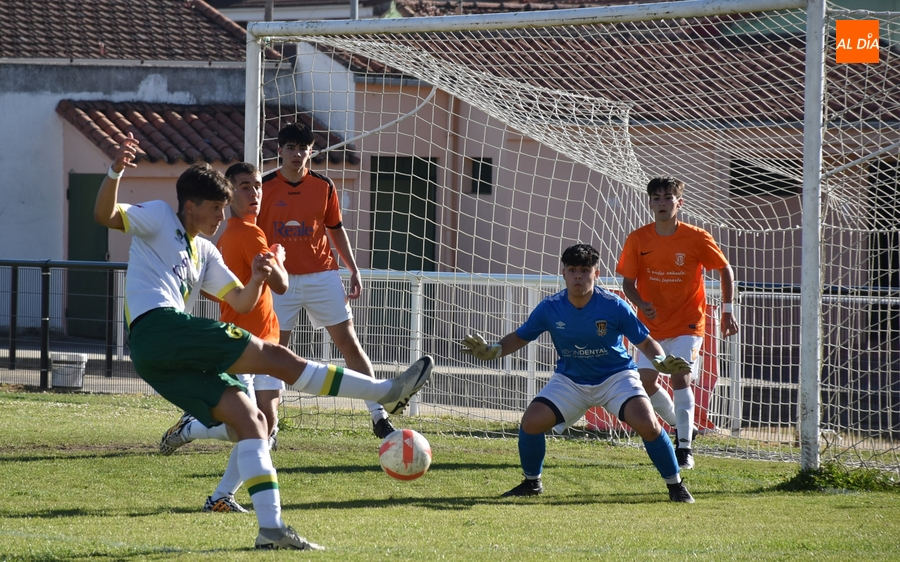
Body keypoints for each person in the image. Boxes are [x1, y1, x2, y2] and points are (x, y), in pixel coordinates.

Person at [95, 134, 433, 550]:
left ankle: (270, 530)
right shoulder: (160, 217)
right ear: (190, 206)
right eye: (215, 207)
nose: (221, 216)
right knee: (275, 357)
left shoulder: (206, 251)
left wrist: (258, 275)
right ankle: (386, 392)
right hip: (158, 328)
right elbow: (106, 214)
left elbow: (239, 298)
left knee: (252, 423)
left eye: (224, 208)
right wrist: (116, 170)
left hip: (157, 356)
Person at [461, 244, 695, 503]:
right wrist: (494, 350)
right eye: (572, 270)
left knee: (648, 425)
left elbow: (646, 342)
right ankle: (532, 483)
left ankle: (676, 486)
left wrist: (660, 359)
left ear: (597, 273)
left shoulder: (614, 305)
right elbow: (519, 337)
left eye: (585, 270)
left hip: (616, 377)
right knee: (530, 423)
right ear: (563, 273)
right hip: (570, 380)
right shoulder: (550, 307)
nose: (578, 277)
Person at [157, 162, 288, 516]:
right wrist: (279, 259)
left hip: (265, 336)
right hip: (245, 343)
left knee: (266, 423)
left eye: (258, 186)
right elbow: (281, 285)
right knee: (249, 425)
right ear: (229, 193)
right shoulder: (244, 232)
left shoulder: (230, 234)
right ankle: (193, 429)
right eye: (245, 186)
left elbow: (223, 293)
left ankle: (220, 495)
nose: (255, 193)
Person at [257, 122, 396, 439]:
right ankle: (269, 426)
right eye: (290, 147)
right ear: (280, 151)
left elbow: (335, 228)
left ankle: (378, 416)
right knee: (275, 352)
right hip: (281, 280)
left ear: (311, 151)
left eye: (302, 148)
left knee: (349, 344)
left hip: (323, 275)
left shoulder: (324, 187)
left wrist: (353, 268)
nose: (296, 154)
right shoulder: (264, 188)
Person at [616, 176, 739, 470]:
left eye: (668, 197)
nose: (662, 203)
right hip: (651, 328)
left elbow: (725, 270)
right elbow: (627, 283)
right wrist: (640, 302)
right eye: (656, 198)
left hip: (688, 323)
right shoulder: (638, 238)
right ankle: (684, 426)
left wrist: (727, 310)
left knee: (680, 377)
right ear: (650, 204)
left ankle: (684, 448)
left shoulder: (696, 237)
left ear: (679, 203)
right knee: (644, 383)